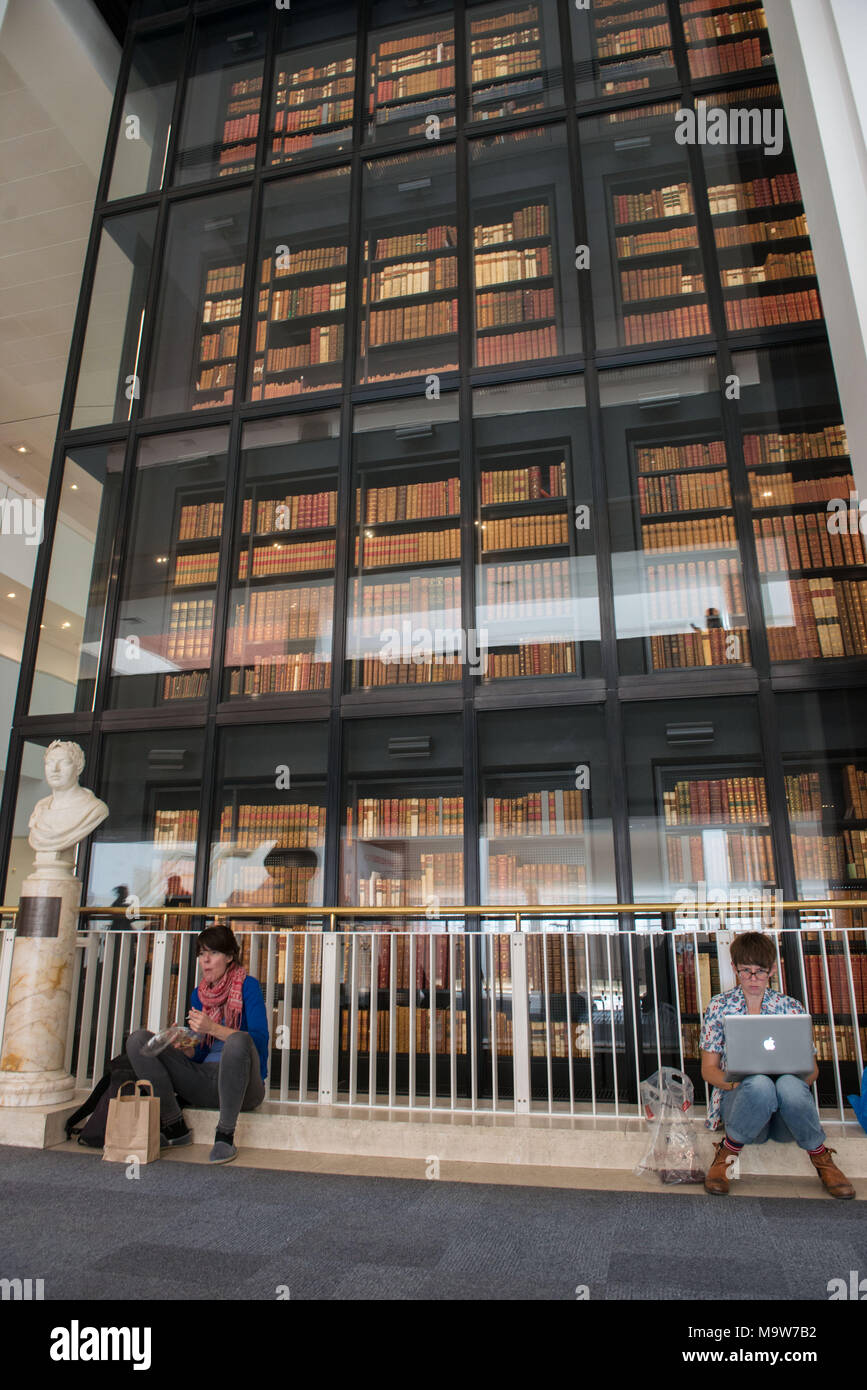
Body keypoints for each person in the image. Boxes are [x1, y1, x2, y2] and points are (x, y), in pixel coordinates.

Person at [700, 930, 855, 1199]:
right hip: (744, 1110)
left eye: (759, 971)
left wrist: (789, 1082)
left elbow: (812, 1069)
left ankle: (822, 1159)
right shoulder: (719, 1007)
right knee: (759, 1084)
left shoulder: (790, 1008)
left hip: (787, 1118)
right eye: (745, 971)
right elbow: (709, 1070)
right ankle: (726, 1155)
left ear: (773, 969)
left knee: (787, 1085)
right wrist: (741, 1084)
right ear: (734, 969)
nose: (753, 979)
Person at [127, 924, 268, 1164]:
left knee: (238, 1040)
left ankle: (225, 1135)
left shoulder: (248, 986)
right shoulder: (198, 995)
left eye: (213, 953)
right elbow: (201, 1054)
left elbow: (259, 1041)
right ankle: (174, 1126)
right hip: (204, 1080)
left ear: (230, 956)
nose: (206, 961)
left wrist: (213, 1029)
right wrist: (186, 1047)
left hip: (244, 1088)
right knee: (138, 1040)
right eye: (202, 954)